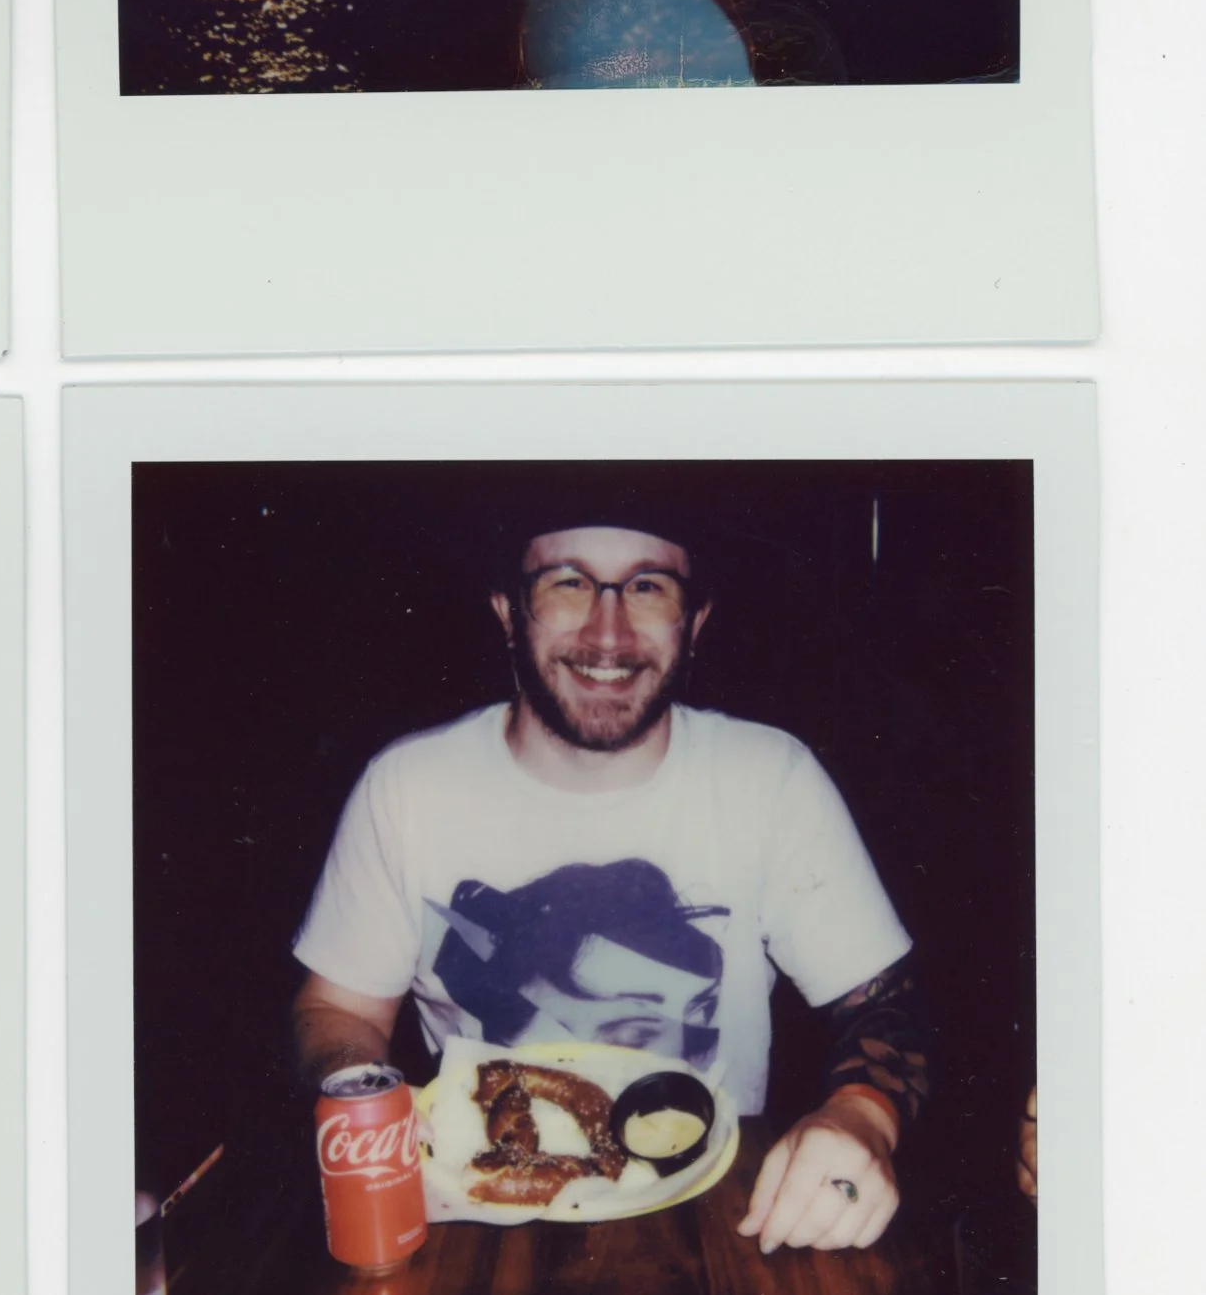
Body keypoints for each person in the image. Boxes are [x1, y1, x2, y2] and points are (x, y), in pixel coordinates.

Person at [290, 508, 931, 1256]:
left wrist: (860, 1118)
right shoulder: (405, 787)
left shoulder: (770, 779)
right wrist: (365, 1091)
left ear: (694, 622)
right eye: (568, 582)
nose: (608, 632)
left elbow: (890, 1006)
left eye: (648, 586)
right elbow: (333, 1007)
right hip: (472, 1233)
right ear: (508, 610)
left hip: (724, 1223)